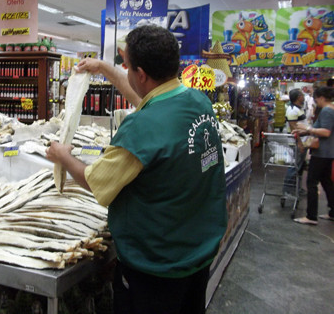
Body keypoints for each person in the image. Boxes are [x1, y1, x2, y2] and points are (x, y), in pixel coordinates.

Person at [46, 25, 227, 314]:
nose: (126, 72)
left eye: (127, 67)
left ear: (141, 74)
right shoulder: (197, 101)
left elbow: (95, 182)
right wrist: (105, 68)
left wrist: (63, 156)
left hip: (156, 266)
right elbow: (148, 100)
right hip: (197, 252)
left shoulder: (141, 128)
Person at [293, 86, 334, 225]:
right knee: (326, 182)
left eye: (316, 99)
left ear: (321, 98)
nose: (316, 102)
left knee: (311, 182)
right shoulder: (331, 109)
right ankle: (332, 212)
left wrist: (308, 129)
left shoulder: (327, 111)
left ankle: (311, 216)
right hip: (328, 152)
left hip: (322, 152)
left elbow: (326, 132)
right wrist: (305, 132)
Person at [282, 88, 308, 195]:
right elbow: (293, 129)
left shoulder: (298, 108)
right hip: (297, 142)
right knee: (294, 166)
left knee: (299, 166)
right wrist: (300, 143)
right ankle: (287, 189)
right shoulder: (292, 110)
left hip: (302, 141)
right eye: (302, 95)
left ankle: (297, 188)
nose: (304, 96)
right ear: (298, 97)